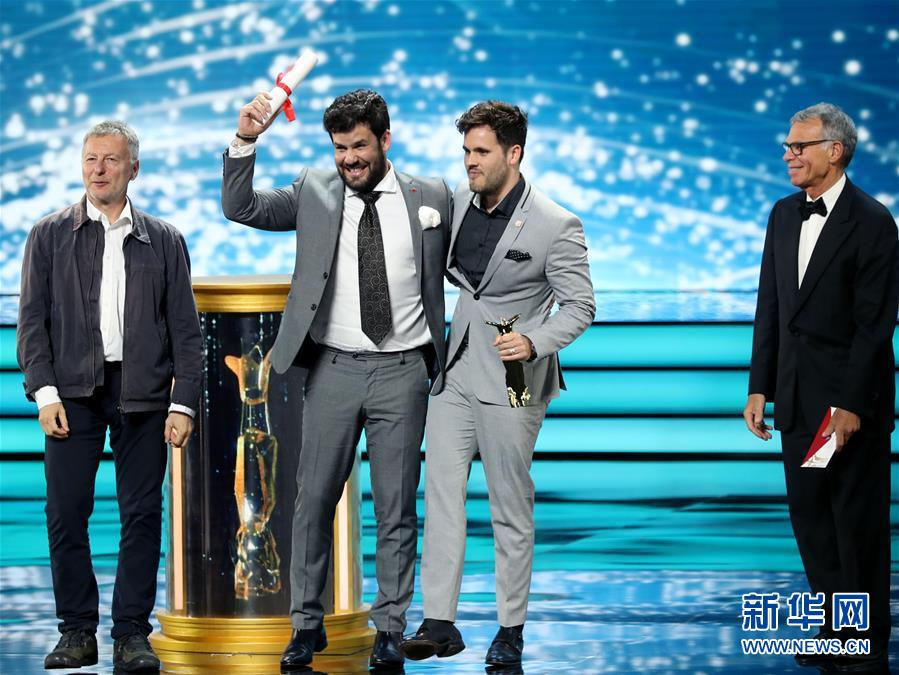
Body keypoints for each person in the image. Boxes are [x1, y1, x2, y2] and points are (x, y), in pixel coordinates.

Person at [221, 89, 452, 670]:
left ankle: (389, 628)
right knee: (313, 501)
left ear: (385, 140)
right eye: (339, 148)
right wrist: (245, 140)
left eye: (359, 146)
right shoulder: (313, 190)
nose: (349, 159)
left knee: (396, 509)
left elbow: (466, 262)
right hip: (333, 368)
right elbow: (241, 208)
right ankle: (306, 625)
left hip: (404, 370)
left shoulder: (432, 197)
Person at [402, 101, 595, 667]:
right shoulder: (457, 204)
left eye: (481, 151)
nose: (470, 161)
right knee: (441, 494)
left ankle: (510, 629)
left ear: (514, 154)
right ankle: (439, 621)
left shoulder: (557, 224)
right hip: (456, 368)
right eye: (466, 151)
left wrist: (534, 341)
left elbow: (580, 306)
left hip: (515, 377)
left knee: (510, 503)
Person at [17, 120, 202, 672]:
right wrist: (45, 393)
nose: (98, 170)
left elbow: (186, 332)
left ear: (133, 168)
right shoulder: (48, 235)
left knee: (141, 515)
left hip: (143, 392)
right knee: (65, 512)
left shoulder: (164, 240)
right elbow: (31, 324)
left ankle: (131, 636)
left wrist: (183, 402)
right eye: (91, 159)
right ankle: (76, 631)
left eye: (111, 160)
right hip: (70, 392)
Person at [744, 102, 896, 671]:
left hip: (843, 409)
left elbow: (874, 326)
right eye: (788, 145)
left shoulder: (872, 221)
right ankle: (835, 631)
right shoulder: (783, 214)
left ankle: (865, 640)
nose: (789, 154)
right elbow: (771, 306)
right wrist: (759, 387)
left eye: (799, 146)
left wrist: (851, 405)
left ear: (835, 150)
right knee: (811, 519)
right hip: (795, 401)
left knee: (852, 520)